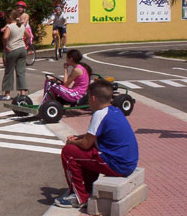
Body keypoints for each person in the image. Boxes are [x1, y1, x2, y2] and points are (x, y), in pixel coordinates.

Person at [54, 79, 139, 208]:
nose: (87, 101)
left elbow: (86, 144)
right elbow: (95, 135)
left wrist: (73, 142)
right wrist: (78, 137)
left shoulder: (99, 114)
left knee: (69, 152)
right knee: (87, 152)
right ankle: (87, 188)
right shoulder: (114, 110)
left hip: (117, 165)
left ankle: (79, 197)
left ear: (93, 98)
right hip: (127, 162)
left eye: (88, 97)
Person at [1, 9, 31, 101]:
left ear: (10, 18)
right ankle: (23, 93)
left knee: (9, 72)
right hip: (22, 49)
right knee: (21, 72)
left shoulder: (9, 27)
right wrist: (25, 44)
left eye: (6, 18)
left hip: (12, 50)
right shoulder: (21, 26)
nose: (6, 20)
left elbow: (5, 37)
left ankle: (7, 94)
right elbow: (29, 36)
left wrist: (5, 45)